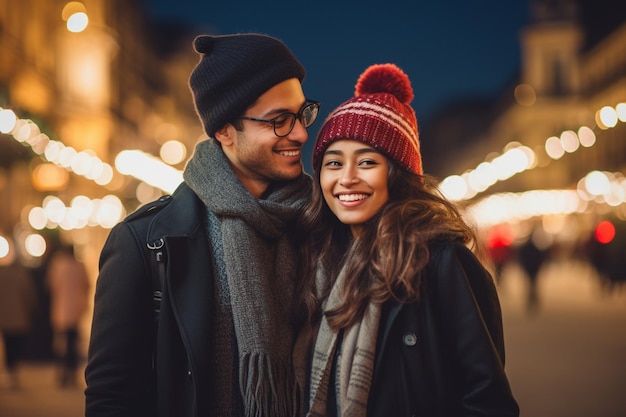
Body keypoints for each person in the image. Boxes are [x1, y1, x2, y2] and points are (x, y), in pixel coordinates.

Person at [85, 33, 318, 417]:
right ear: (224, 130)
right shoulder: (144, 242)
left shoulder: (317, 223)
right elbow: (112, 395)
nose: (300, 133)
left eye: (302, 113)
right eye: (279, 121)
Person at [294, 63, 519, 416]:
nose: (346, 178)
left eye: (367, 162)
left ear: (397, 174)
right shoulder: (319, 262)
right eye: (333, 163)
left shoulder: (441, 261)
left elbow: (488, 399)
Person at [46, 244, 90, 387]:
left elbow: (51, 284)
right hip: (76, 310)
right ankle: (71, 374)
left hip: (61, 310)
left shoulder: (58, 265)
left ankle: (61, 373)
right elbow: (87, 285)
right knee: (72, 344)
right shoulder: (79, 266)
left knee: (60, 344)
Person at [0, 259, 37, 389]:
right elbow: (29, 296)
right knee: (16, 345)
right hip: (19, 317)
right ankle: (14, 372)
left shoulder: (2, 276)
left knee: (8, 345)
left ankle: (10, 372)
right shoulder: (22, 276)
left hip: (5, 317)